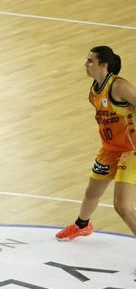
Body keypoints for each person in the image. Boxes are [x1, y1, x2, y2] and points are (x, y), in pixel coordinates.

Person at [57, 46, 136, 240]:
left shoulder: (119, 86)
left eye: (90, 61)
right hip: (109, 149)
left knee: (122, 206)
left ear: (104, 64)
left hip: (131, 150)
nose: (85, 64)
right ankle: (82, 225)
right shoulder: (94, 90)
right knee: (92, 192)